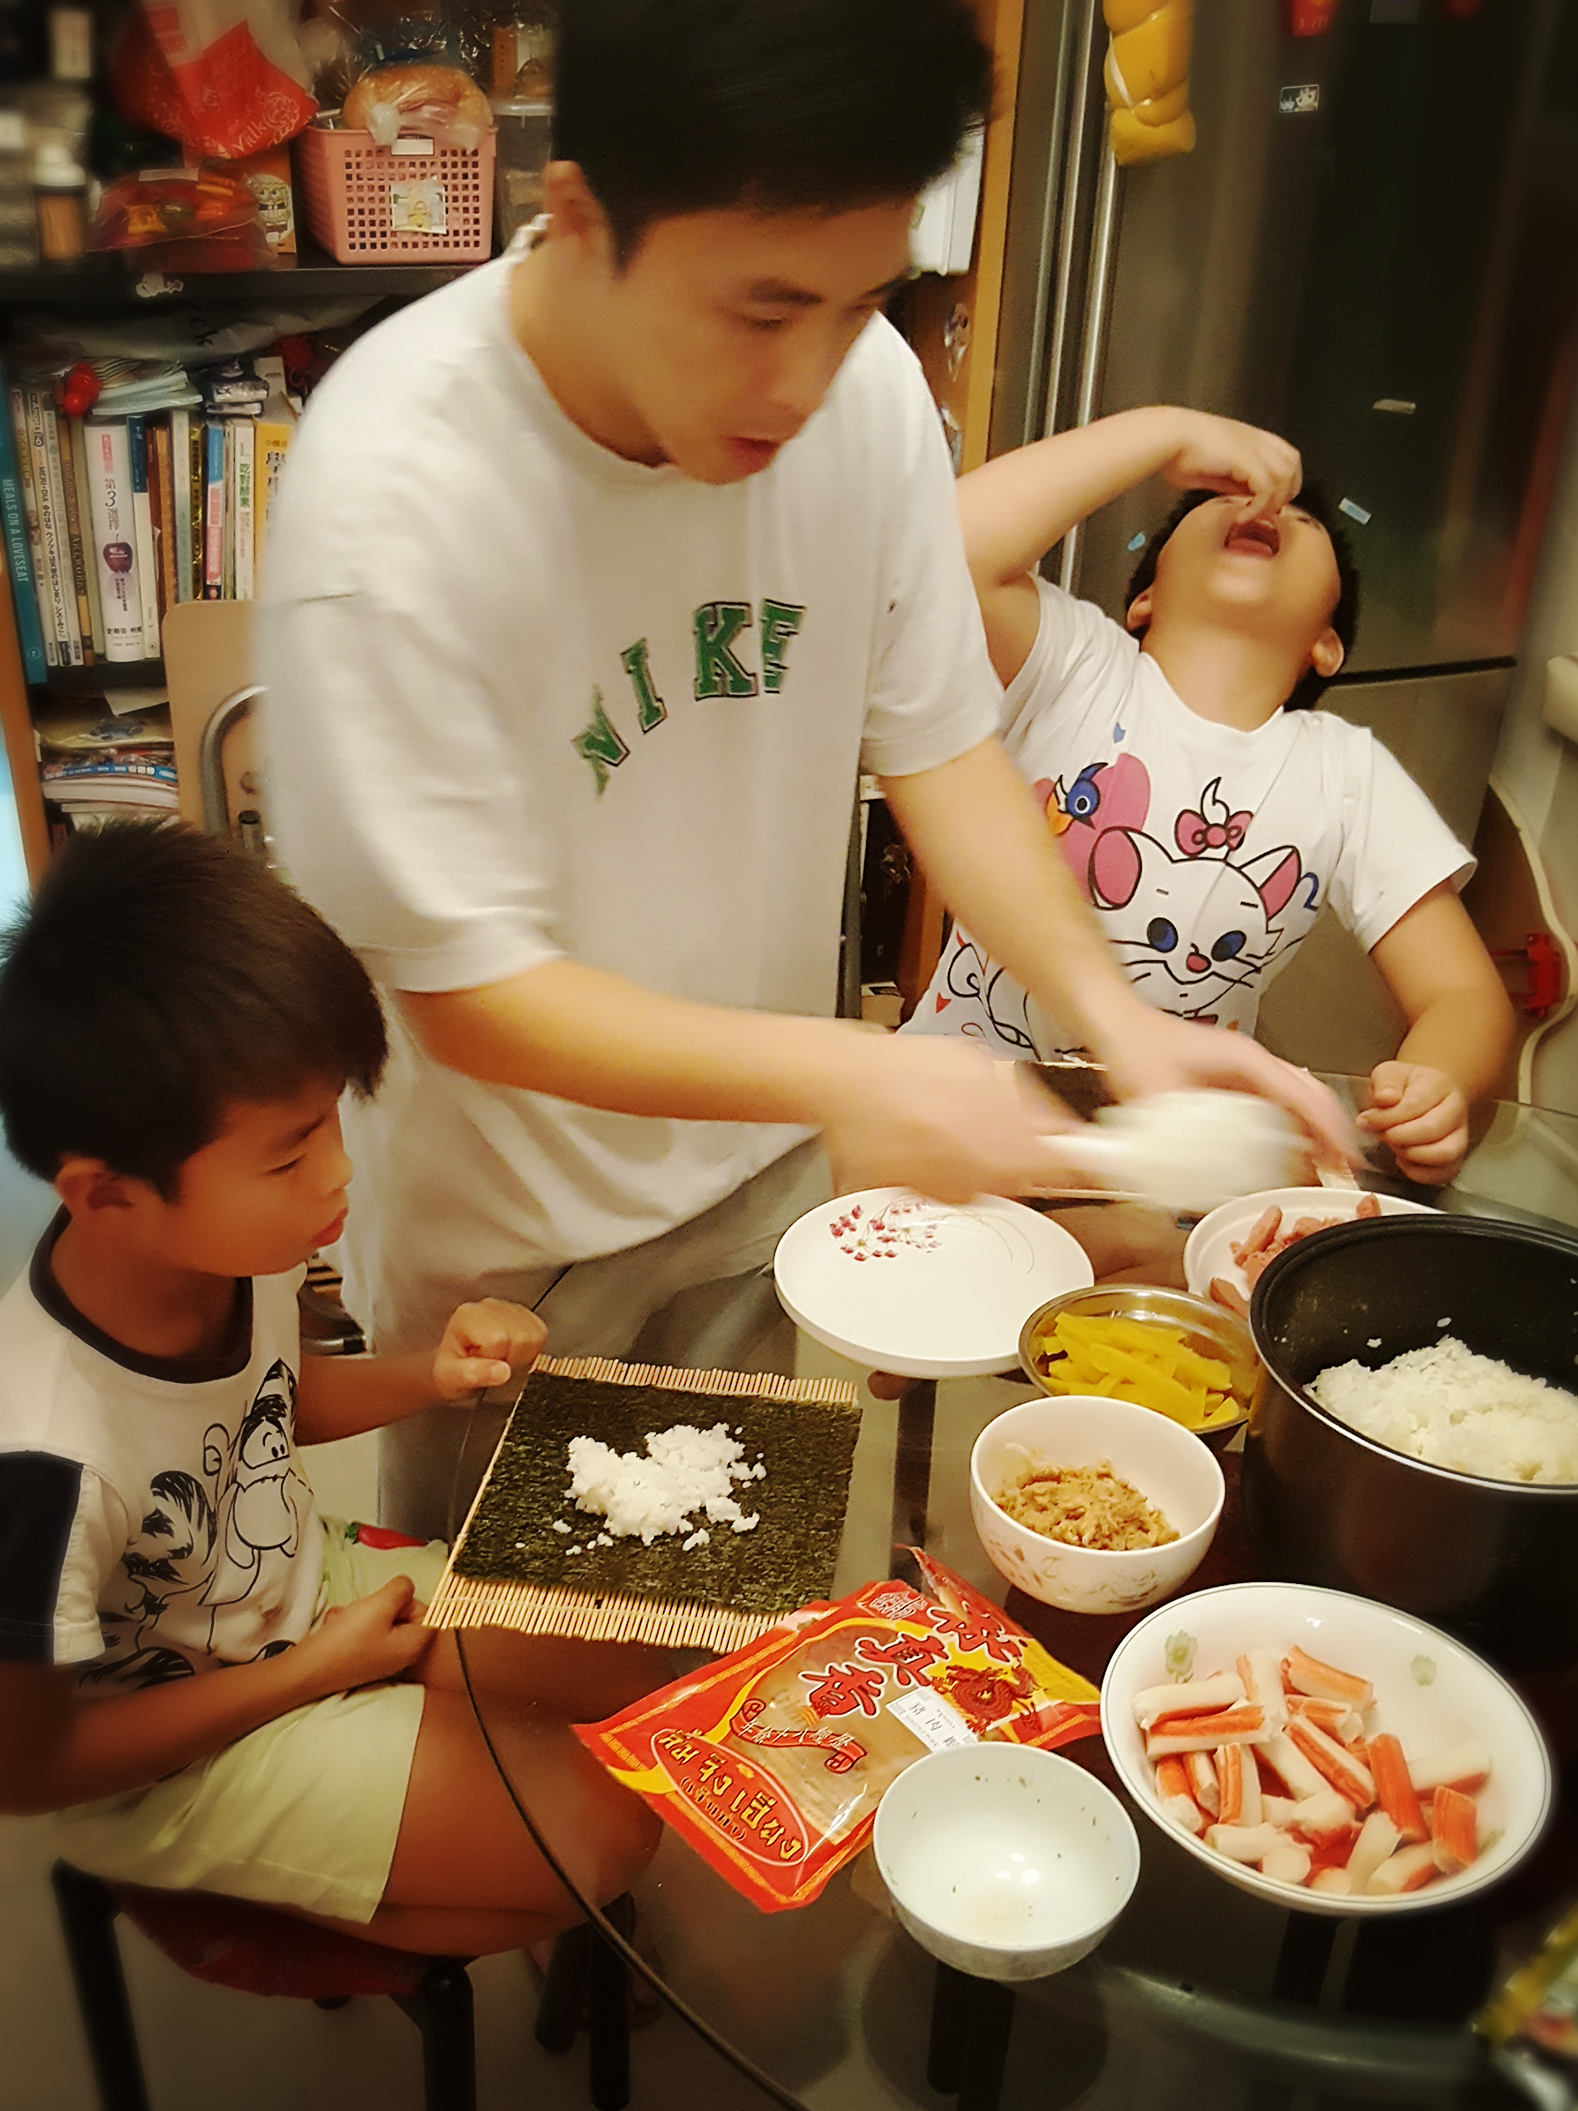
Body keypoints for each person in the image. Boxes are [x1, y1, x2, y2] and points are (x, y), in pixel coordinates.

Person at [260, 0, 1349, 1536]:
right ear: (580, 218)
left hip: (765, 1185)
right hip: (512, 1239)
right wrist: (868, 1069)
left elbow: (941, 742)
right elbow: (467, 989)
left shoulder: (866, 397)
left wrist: (1119, 1024)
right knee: (518, 1645)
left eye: (862, 304)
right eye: (763, 312)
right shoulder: (395, 503)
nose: (809, 380)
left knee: (736, 1605)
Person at [0, 826, 662, 1959]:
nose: (341, 1172)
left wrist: (431, 1373)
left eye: (332, 1120)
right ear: (108, 1195)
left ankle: (394, 1794)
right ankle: (289, 1884)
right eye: (288, 1153)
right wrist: (315, 1676)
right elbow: (29, 1770)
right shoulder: (41, 1460)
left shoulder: (231, 1248)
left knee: (642, 1667)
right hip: (167, 1756)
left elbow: (268, 1403)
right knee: (610, 1834)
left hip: (303, 1597)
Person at [908, 406, 1514, 1185]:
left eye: (1301, 519)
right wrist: (1165, 432)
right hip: (958, 1114)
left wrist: (1437, 1083)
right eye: (1219, 501)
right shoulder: (1074, 664)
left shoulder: (1345, 774)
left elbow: (1463, 993)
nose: (1264, 505)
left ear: (1327, 644)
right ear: (1144, 601)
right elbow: (945, 547)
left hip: (1166, 1163)